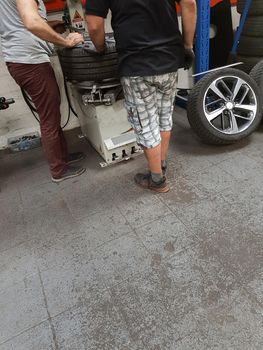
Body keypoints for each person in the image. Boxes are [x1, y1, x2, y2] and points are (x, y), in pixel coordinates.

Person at [85, 0, 196, 193]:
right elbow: (190, 3)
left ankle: (157, 181)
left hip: (136, 63)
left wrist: (100, 48)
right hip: (169, 59)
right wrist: (187, 45)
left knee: (146, 124)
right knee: (164, 117)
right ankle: (160, 165)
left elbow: (94, 25)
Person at [0, 0, 86, 183]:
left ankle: (63, 157)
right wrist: (65, 42)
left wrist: (53, 26)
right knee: (49, 118)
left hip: (24, 60)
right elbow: (31, 22)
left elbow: (22, 21)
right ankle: (58, 169)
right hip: (29, 62)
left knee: (52, 113)